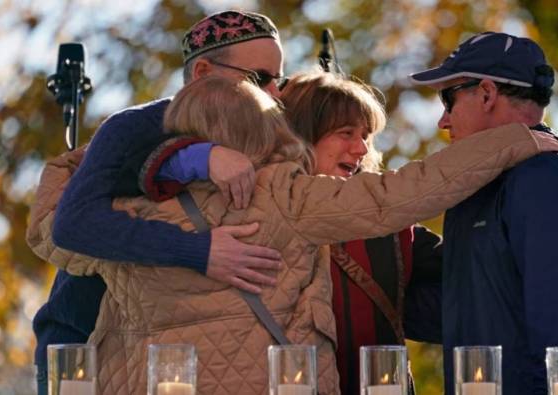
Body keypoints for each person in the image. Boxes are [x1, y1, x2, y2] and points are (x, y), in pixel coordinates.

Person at [31, 76, 558, 394]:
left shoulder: (114, 212)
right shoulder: (283, 196)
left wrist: (158, 153)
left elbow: (54, 219)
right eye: (345, 134)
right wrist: (516, 140)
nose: (359, 150)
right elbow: (407, 191)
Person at [26, 10, 287, 394]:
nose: (275, 94)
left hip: (175, 361)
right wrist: (200, 251)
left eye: (280, 80)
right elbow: (73, 224)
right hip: (83, 351)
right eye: (260, 79)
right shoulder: (135, 127)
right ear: (202, 74)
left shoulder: (271, 135)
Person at [138, 71, 446, 394]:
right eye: (346, 133)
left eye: (366, 136)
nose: (361, 148)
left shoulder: (389, 230)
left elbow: (461, 297)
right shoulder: (244, 213)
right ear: (304, 136)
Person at [408, 31, 558, 395]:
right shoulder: (488, 187)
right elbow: (470, 313)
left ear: (488, 93)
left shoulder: (543, 180)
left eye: (449, 99)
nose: (443, 120)